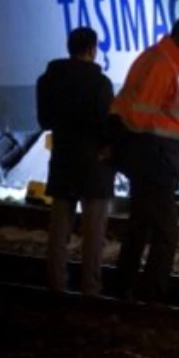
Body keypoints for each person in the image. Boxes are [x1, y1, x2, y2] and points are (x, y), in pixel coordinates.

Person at [111, 15, 179, 303]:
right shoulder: (163, 64)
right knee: (167, 233)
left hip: (148, 158)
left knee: (139, 226)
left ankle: (123, 286)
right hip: (154, 160)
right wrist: (150, 152)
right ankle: (151, 293)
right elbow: (140, 115)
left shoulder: (158, 59)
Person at [37, 26, 115, 297]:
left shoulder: (48, 80)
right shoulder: (100, 83)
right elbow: (108, 126)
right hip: (95, 163)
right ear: (93, 50)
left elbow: (45, 121)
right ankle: (90, 288)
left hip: (63, 160)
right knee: (94, 234)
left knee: (59, 229)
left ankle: (56, 284)